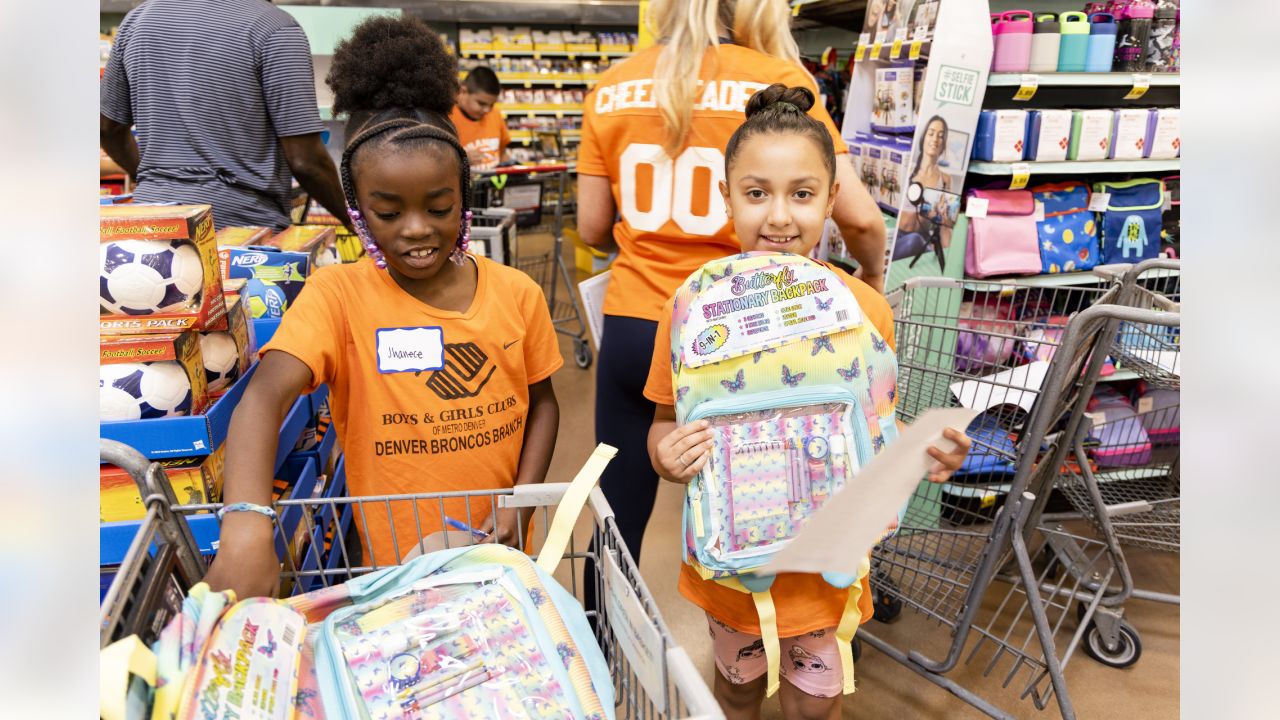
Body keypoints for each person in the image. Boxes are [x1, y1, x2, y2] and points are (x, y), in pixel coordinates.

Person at [202, 16, 562, 600]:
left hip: (499, 560)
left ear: (463, 198)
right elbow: (264, 396)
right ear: (357, 209)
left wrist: (520, 503)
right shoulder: (337, 297)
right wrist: (246, 522)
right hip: (391, 572)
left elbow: (542, 405)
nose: (417, 230)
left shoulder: (517, 293)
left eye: (439, 206)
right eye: (389, 212)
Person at [644, 85, 971, 720]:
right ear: (727, 198)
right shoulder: (692, 310)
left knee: (814, 702)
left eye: (802, 193)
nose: (780, 217)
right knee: (736, 690)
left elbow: (873, 425)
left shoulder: (863, 308)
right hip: (735, 568)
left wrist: (922, 451)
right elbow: (662, 425)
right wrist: (666, 455)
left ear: (829, 200)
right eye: (756, 192)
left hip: (828, 569)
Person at [576, 0, 886, 569]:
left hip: (636, 314)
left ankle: (600, 637)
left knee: (618, 505)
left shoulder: (613, 86)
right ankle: (766, 624)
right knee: (764, 494)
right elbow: (862, 218)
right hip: (750, 329)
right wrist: (871, 277)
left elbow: (593, 228)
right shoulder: (782, 82)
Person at [99, 0, 348, 231]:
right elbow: (306, 161)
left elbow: (106, 129)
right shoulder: (275, 27)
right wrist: (357, 223)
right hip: (240, 230)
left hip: (151, 223)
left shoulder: (138, 20)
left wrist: (158, 181)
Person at [450, 66, 511, 170]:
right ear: (463, 91)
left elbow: (502, 152)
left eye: (491, 104)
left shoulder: (495, 114)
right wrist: (461, 160)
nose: (487, 110)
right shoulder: (448, 118)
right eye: (481, 103)